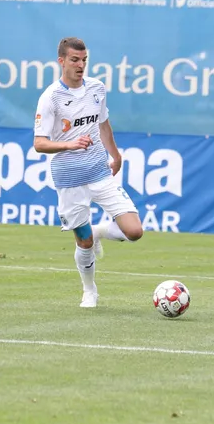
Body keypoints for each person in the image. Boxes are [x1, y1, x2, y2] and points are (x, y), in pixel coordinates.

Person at [33, 37, 144, 308]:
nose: (80, 65)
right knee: (83, 243)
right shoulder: (50, 97)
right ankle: (89, 290)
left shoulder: (97, 88)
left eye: (84, 60)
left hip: (99, 172)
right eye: (74, 60)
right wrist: (69, 144)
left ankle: (99, 231)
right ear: (61, 61)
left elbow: (103, 125)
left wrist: (116, 155)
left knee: (134, 231)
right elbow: (39, 143)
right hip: (69, 179)